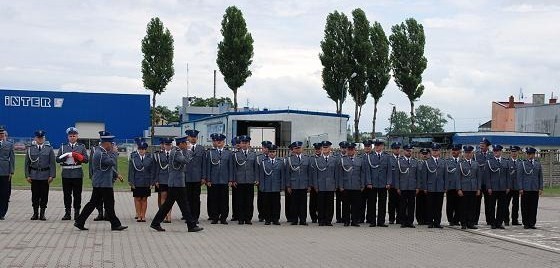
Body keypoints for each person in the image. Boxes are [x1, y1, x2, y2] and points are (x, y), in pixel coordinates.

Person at [74, 131, 127, 231]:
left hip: (101, 182)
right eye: (111, 144)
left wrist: (116, 174)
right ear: (106, 143)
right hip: (103, 183)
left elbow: (108, 167)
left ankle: (80, 221)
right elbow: (111, 162)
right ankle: (115, 224)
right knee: (108, 203)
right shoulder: (101, 153)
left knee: (94, 203)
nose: (112, 146)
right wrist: (114, 152)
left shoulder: (102, 152)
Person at [150, 136, 203, 232]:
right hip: (176, 183)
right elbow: (186, 160)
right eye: (185, 143)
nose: (187, 145)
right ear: (181, 144)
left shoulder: (177, 151)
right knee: (178, 204)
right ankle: (191, 225)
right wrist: (189, 151)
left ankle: (156, 223)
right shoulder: (176, 152)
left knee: (177, 204)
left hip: (178, 183)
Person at [56, 127, 89, 221]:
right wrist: (64, 157)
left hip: (77, 173)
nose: (72, 137)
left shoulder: (81, 147)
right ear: (68, 137)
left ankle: (77, 213)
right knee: (66, 194)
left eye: (74, 136)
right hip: (66, 173)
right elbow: (57, 159)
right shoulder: (63, 147)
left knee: (77, 194)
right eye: (70, 136)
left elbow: (86, 160)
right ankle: (67, 213)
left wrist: (79, 157)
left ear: (77, 136)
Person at [25, 130, 56, 221]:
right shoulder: (31, 149)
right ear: (35, 138)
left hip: (45, 176)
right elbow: (27, 164)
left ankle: (42, 214)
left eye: (41, 138)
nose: (40, 139)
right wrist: (27, 175)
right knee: (34, 195)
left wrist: (52, 175)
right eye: (38, 138)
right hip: (34, 175)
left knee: (44, 195)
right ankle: (35, 213)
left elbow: (52, 163)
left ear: (44, 138)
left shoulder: (49, 149)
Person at [337, 142, 367, 227]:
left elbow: (362, 173)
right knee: (346, 205)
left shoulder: (360, 160)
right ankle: (346, 221)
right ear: (347, 150)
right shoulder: (343, 160)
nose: (350, 151)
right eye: (349, 149)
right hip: (346, 186)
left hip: (356, 186)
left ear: (355, 150)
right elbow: (340, 174)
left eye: (352, 149)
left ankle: (355, 221)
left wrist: (362, 185)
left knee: (356, 205)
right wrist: (341, 186)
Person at [363, 139, 392, 227]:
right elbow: (368, 171)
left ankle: (381, 221)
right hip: (373, 184)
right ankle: (372, 221)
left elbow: (389, 171)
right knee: (372, 203)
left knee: (382, 203)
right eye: (376, 145)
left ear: (382, 146)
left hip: (383, 184)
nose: (377, 147)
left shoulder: (387, 157)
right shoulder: (370, 156)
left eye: (379, 145)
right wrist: (369, 182)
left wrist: (388, 182)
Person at [206, 133, 233, 224]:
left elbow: (231, 167)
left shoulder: (228, 153)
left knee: (224, 200)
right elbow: (208, 167)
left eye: (220, 141)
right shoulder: (211, 153)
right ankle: (215, 217)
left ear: (224, 142)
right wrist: (208, 179)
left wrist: (230, 180)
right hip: (214, 180)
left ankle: (223, 217)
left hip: (224, 180)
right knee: (214, 199)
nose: (219, 143)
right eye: (217, 141)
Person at [232, 135, 258, 225]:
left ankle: (248, 218)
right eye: (242, 143)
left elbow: (256, 168)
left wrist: (256, 179)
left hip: (250, 180)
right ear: (240, 144)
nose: (244, 144)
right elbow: (233, 168)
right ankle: (240, 218)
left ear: (249, 144)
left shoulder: (253, 154)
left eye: (246, 143)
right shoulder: (236, 154)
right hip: (239, 180)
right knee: (240, 200)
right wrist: (233, 180)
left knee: (249, 200)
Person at [258, 144, 285, 225]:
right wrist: (262, 187)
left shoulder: (280, 162)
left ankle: (276, 219)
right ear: (268, 153)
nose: (272, 153)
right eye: (270, 152)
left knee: (276, 203)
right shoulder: (263, 162)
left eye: (273, 152)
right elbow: (261, 176)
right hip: (267, 186)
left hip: (276, 186)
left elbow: (282, 175)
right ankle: (268, 219)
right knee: (267, 203)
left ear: (276, 152)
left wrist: (282, 186)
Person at [128, 141, 155, 222]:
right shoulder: (134, 158)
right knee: (138, 198)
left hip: (146, 181)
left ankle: (143, 216)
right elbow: (131, 171)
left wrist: (152, 182)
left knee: (144, 199)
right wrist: (131, 182)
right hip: (137, 181)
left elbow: (152, 171)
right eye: (140, 149)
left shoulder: (150, 158)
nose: (141, 150)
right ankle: (138, 215)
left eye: (143, 149)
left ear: (146, 149)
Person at [285, 141, 311, 225]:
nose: (298, 149)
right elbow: (287, 174)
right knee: (294, 203)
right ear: (293, 149)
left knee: (303, 203)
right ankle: (294, 220)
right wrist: (288, 185)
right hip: (294, 184)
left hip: (304, 184)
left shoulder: (307, 158)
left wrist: (309, 185)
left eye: (299, 148)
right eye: (296, 148)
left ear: (302, 148)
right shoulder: (290, 159)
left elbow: (309, 173)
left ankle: (303, 220)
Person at [312, 141, 337, 226]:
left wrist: (336, 185)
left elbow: (336, 174)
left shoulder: (334, 159)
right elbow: (315, 174)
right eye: (324, 147)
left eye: (327, 147)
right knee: (320, 204)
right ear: (322, 148)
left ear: (330, 149)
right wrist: (315, 185)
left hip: (330, 185)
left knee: (330, 204)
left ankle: (328, 220)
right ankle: (321, 220)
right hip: (321, 185)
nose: (325, 149)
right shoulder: (317, 160)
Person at [395, 145, 420, 228]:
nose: (409, 152)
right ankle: (403, 221)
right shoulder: (399, 161)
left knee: (411, 205)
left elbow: (418, 176)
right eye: (407, 151)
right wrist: (398, 187)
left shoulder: (415, 161)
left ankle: (410, 221)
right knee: (402, 205)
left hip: (412, 187)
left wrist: (417, 187)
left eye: (410, 151)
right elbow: (397, 176)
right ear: (404, 151)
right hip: (403, 187)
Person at [518, 147, 543, 229]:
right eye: (528, 154)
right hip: (525, 188)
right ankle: (526, 223)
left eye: (531, 154)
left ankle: (532, 223)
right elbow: (520, 176)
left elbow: (540, 177)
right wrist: (520, 188)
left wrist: (540, 188)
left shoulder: (537, 164)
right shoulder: (523, 164)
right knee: (525, 206)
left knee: (533, 207)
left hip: (535, 188)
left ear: (534, 154)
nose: (530, 156)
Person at [486, 145, 510, 229]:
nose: (496, 152)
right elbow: (487, 176)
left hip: (503, 187)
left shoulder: (505, 162)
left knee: (502, 206)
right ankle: (492, 223)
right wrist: (489, 187)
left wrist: (507, 186)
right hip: (493, 187)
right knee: (491, 206)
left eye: (497, 151)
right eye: (494, 151)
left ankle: (499, 222)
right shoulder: (489, 162)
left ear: (501, 152)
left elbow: (508, 176)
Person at [458, 145, 481, 230]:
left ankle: (471, 223)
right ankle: (463, 223)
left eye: (469, 153)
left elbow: (479, 177)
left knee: (472, 207)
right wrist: (459, 189)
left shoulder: (476, 164)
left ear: (472, 153)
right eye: (466, 153)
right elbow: (458, 177)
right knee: (464, 207)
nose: (468, 154)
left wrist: (478, 188)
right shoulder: (460, 164)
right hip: (464, 189)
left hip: (473, 188)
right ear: (464, 153)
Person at [184, 130, 205, 223]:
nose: (193, 138)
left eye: (195, 137)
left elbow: (204, 164)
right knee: (187, 198)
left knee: (196, 198)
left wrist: (203, 177)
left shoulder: (201, 149)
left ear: (197, 138)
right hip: (186, 177)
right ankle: (188, 217)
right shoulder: (184, 148)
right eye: (191, 137)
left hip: (197, 177)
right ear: (188, 138)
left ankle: (195, 217)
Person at [423, 144, 446, 228]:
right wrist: (425, 187)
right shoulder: (427, 162)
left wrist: (445, 186)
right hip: (430, 187)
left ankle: (437, 222)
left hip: (440, 187)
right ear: (431, 151)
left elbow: (445, 175)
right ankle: (430, 222)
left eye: (436, 150)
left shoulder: (443, 162)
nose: (435, 152)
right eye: (433, 150)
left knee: (438, 206)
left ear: (439, 151)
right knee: (430, 205)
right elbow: (424, 176)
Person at [154, 138, 173, 223]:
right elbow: (157, 168)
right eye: (166, 145)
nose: (167, 146)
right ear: (164, 145)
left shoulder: (174, 153)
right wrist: (156, 180)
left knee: (170, 198)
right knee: (163, 197)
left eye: (169, 145)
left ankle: (169, 216)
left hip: (171, 178)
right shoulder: (159, 154)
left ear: (171, 145)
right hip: (162, 179)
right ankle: (163, 215)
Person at [475, 138, 492, 226]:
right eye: (480, 145)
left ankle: (489, 220)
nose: (481, 147)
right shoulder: (476, 155)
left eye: (483, 145)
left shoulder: (491, 155)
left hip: (488, 182)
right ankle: (475, 220)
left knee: (489, 202)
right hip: (479, 182)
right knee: (476, 203)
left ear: (487, 146)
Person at [444, 144, 462, 226]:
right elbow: (445, 175)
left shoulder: (462, 161)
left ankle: (457, 220)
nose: (454, 151)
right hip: (450, 186)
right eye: (453, 150)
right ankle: (450, 220)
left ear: (459, 151)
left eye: (456, 150)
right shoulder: (447, 161)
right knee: (450, 204)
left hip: (460, 187)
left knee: (459, 204)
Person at [0, 126, 15, 220]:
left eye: (2, 134)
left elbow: (12, 159)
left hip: (5, 172)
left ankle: (2, 213)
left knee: (4, 193)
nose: (1, 136)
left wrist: (11, 171)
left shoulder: (9, 145)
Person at [256, 141, 272, 222]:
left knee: (269, 199)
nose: (265, 149)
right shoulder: (259, 157)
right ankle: (261, 215)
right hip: (261, 181)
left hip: (270, 181)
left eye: (266, 148)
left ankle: (269, 214)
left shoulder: (272, 156)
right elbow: (257, 170)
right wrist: (257, 180)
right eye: (264, 148)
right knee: (261, 199)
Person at [506, 146, 522, 226]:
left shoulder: (521, 162)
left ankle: (515, 220)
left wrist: (520, 187)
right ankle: (506, 220)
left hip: (516, 187)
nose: (514, 153)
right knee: (506, 204)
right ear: (510, 153)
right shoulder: (507, 162)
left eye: (515, 152)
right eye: (512, 152)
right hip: (508, 187)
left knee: (515, 205)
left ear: (518, 152)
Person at [335, 141, 349, 223]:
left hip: (346, 184)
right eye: (342, 147)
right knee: (338, 202)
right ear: (340, 148)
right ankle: (338, 218)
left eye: (345, 147)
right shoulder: (336, 158)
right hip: (338, 183)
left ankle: (345, 217)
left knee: (345, 202)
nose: (344, 149)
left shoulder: (349, 157)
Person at [388, 142, 401, 224]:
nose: (397, 150)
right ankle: (391, 218)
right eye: (395, 148)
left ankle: (399, 218)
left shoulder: (402, 158)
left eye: (398, 148)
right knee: (392, 203)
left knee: (400, 203)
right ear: (392, 149)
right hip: (392, 185)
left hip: (401, 185)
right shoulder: (389, 159)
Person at [415, 148, 430, 225]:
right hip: (420, 188)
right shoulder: (417, 163)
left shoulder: (431, 163)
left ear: (429, 154)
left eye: (426, 154)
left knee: (428, 204)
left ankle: (428, 219)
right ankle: (420, 219)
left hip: (429, 188)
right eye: (423, 154)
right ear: (420, 154)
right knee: (419, 205)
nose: (424, 155)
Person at [308, 143, 321, 223]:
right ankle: (313, 217)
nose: (317, 150)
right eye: (316, 149)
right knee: (313, 202)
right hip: (313, 184)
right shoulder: (311, 159)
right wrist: (309, 184)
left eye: (319, 149)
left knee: (321, 202)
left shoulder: (324, 158)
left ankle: (320, 216)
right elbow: (309, 172)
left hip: (322, 184)